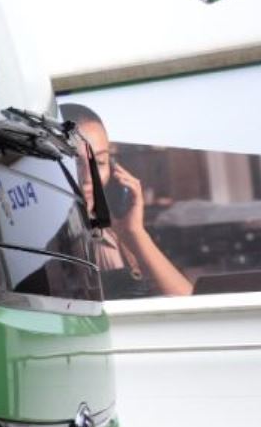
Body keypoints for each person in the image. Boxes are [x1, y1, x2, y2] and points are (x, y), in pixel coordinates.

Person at [58, 103, 192, 298]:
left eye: (100, 162)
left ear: (114, 170)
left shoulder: (114, 235)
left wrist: (134, 232)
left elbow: (186, 302)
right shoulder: (57, 239)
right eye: (75, 162)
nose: (89, 177)